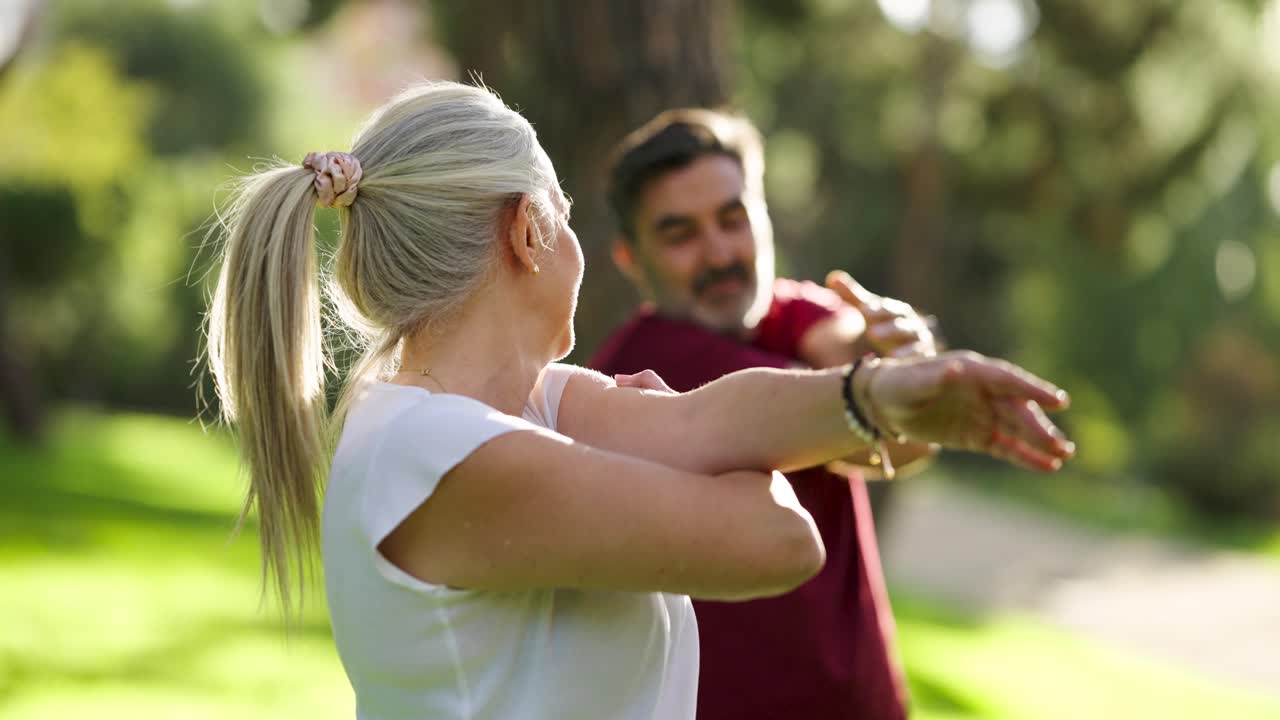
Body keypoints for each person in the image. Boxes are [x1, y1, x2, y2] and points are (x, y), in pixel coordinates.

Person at [205, 81, 1073, 720]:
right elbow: (778, 539)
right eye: (567, 215)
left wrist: (886, 394)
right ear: (529, 230)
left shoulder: (519, 404)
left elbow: (708, 417)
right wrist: (750, 455)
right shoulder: (440, 453)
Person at [589, 108, 977, 719]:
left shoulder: (786, 317)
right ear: (631, 260)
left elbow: (902, 440)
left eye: (733, 218)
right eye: (679, 234)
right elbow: (868, 425)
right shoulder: (644, 368)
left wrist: (901, 350)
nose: (718, 253)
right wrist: (899, 388)